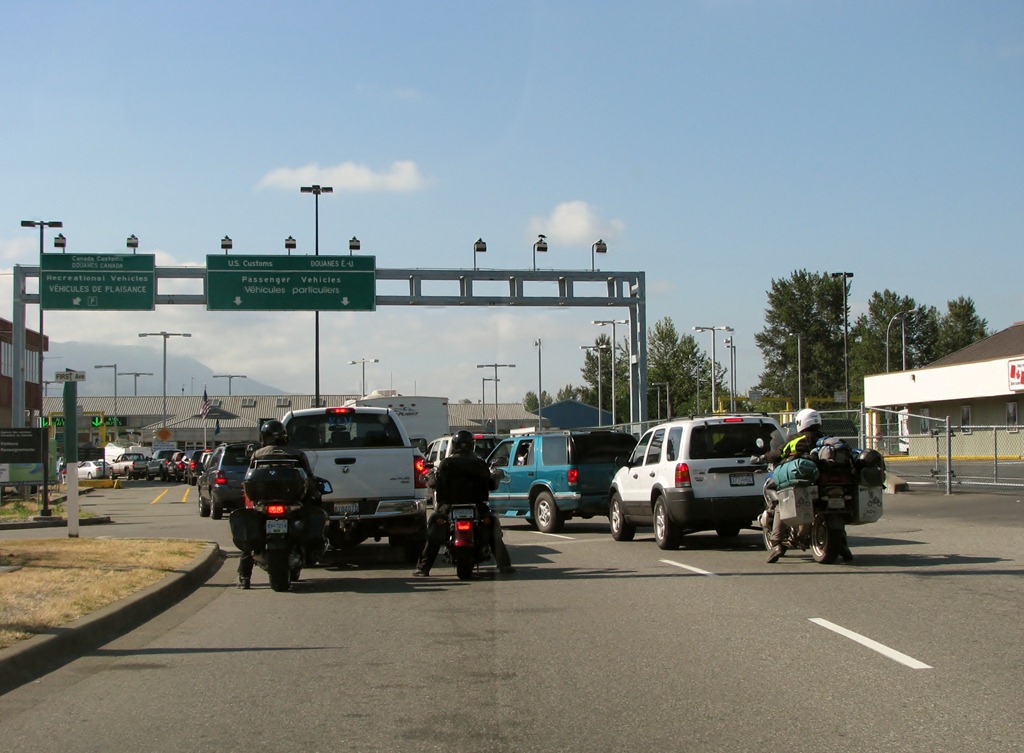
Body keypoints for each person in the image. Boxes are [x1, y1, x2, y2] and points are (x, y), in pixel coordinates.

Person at [413, 429, 515, 577]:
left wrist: (429, 476)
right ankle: (504, 565)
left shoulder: (446, 464)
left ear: (454, 445)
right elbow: (492, 485)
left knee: (435, 528)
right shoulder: (479, 464)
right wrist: (496, 476)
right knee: (492, 527)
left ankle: (423, 568)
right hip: (477, 506)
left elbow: (435, 483)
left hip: (448, 507)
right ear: (472, 445)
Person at [758, 408, 851, 564]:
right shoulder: (828, 440)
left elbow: (779, 453)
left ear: (801, 423)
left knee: (782, 501)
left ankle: (776, 544)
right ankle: (842, 545)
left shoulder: (798, 440)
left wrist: (762, 457)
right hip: (827, 483)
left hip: (808, 481)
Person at [238, 419, 323, 589]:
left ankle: (244, 576)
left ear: (264, 437)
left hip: (264, 504)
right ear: (283, 435)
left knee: (252, 538)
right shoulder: (296, 454)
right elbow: (309, 478)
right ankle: (309, 553)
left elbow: (249, 478)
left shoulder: (257, 455)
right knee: (311, 515)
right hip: (291, 503)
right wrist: (316, 493)